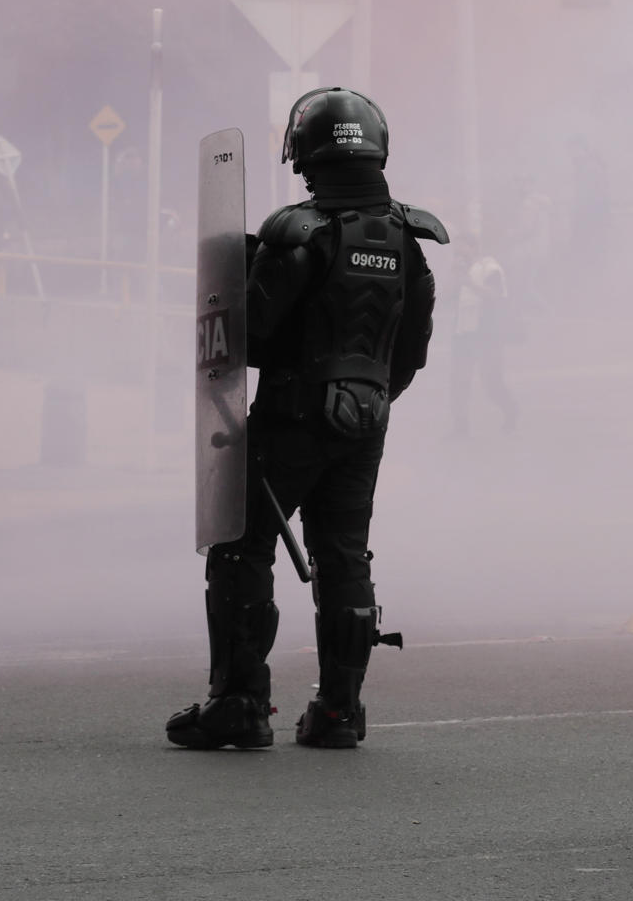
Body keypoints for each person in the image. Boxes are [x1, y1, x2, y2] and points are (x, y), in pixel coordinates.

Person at [167, 87, 442, 751]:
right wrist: (360, 411)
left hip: (289, 418)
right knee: (344, 557)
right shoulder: (411, 239)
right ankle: (340, 713)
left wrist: (239, 267)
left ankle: (240, 703)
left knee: (241, 548)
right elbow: (410, 354)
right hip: (366, 423)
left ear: (303, 152)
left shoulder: (298, 232)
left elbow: (250, 340)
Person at [448, 235, 517, 437]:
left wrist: (469, 282)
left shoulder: (490, 267)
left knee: (491, 381)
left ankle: (511, 411)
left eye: (463, 250)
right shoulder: (461, 270)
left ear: (473, 247)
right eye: (457, 251)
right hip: (463, 333)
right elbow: (446, 295)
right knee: (459, 381)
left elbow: (496, 295)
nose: (460, 254)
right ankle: (460, 426)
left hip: (487, 335)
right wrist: (455, 276)